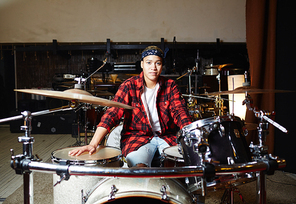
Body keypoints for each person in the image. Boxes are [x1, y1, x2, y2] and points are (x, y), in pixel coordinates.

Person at [69, 45, 192, 167]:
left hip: (167, 136)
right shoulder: (129, 85)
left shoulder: (170, 85)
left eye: (158, 63)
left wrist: (192, 135)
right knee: (140, 169)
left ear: (162, 65)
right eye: (149, 63)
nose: (153, 68)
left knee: (177, 167)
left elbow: (180, 113)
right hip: (137, 137)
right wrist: (93, 144)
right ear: (142, 64)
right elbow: (112, 114)